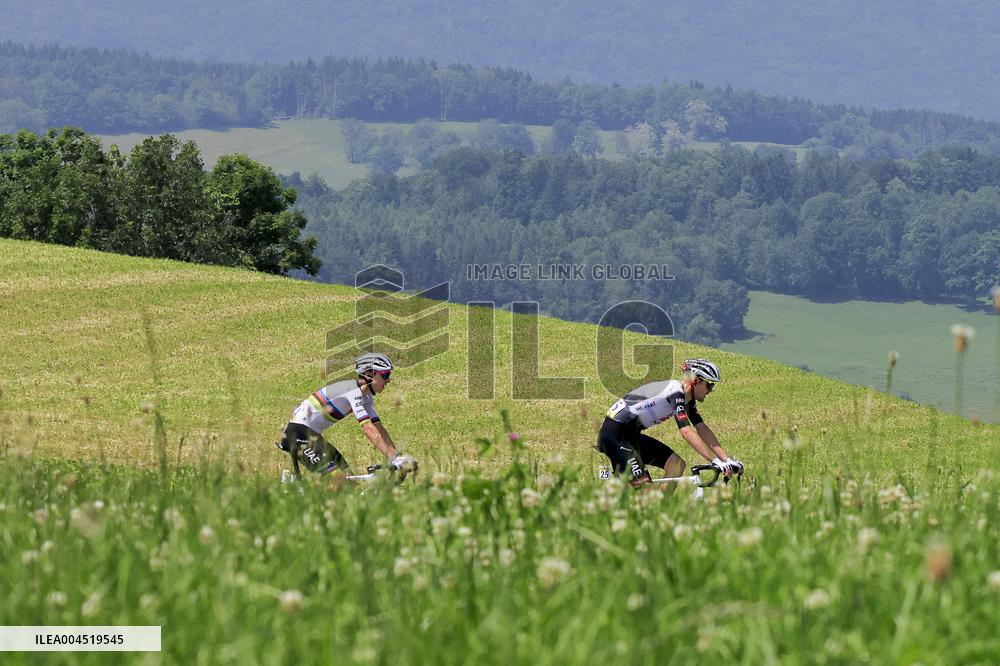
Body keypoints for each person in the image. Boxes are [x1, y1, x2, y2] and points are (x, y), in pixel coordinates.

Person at [596, 358, 743, 487]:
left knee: (676, 465)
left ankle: (663, 507)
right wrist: (715, 461)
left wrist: (727, 460)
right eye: (709, 385)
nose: (711, 391)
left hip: (629, 436)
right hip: (614, 437)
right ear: (695, 381)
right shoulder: (674, 392)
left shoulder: (687, 399)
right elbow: (686, 431)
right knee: (645, 491)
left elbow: (701, 428)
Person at [276, 352, 416, 479]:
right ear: (370, 374)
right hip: (296, 434)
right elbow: (368, 429)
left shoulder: (366, 398)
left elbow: (378, 428)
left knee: (350, 482)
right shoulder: (352, 391)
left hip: (312, 435)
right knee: (339, 481)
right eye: (385, 375)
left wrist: (396, 457)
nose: (388, 380)